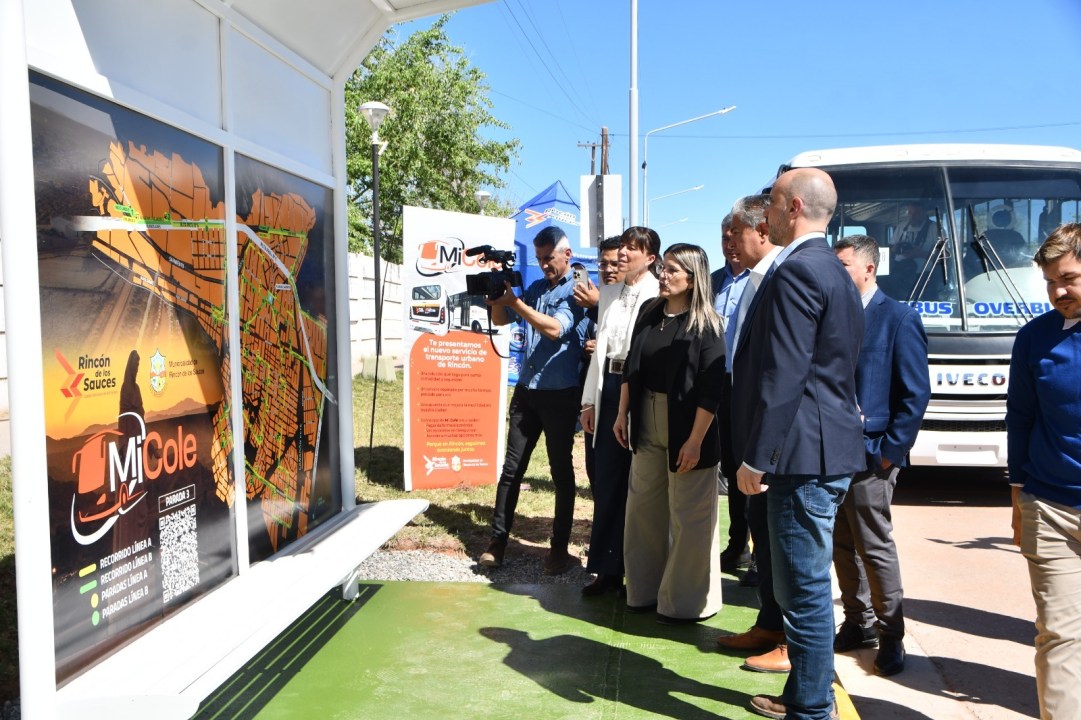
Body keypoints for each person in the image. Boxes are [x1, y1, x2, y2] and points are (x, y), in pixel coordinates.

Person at [733, 168, 865, 720]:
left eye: (771, 203)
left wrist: (757, 457)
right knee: (802, 584)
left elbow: (785, 374)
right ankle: (805, 696)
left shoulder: (798, 271)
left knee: (802, 589)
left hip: (800, 456)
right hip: (822, 450)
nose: (763, 215)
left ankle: (811, 708)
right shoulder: (832, 270)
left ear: (792, 207)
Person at [832, 234, 931, 678]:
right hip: (831, 451)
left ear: (869, 268)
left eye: (844, 266)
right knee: (841, 544)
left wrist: (889, 453)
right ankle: (859, 623)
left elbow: (915, 394)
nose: (836, 274)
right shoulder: (833, 313)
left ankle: (892, 634)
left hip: (872, 456)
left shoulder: (899, 318)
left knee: (873, 546)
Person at [614, 243, 725, 623]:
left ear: (693, 279)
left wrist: (695, 441)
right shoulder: (649, 311)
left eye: (672, 270)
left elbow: (711, 391)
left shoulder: (708, 324)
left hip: (690, 427)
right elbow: (632, 366)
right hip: (646, 419)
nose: (663, 275)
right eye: (663, 268)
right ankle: (643, 592)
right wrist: (622, 413)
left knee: (689, 518)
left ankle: (685, 603)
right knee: (642, 512)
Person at [478, 226, 587, 574]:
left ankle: (559, 548)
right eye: (539, 259)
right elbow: (501, 320)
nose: (543, 265)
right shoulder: (537, 288)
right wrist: (497, 300)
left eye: (549, 258)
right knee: (511, 470)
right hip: (528, 390)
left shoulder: (579, 288)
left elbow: (555, 329)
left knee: (561, 472)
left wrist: (515, 303)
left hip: (561, 394)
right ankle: (497, 543)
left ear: (567, 255)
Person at [1007, 222, 1081, 720]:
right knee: (1059, 634)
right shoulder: (1034, 338)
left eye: (1069, 279)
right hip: (1050, 507)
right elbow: (1021, 417)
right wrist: (1018, 498)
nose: (1057, 293)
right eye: (1051, 282)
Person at [715, 194, 788, 671]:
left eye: (735, 234)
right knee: (760, 526)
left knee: (786, 547)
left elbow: (784, 371)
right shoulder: (753, 280)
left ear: (761, 231)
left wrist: (761, 449)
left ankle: (790, 643)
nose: (729, 244)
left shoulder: (784, 277)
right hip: (746, 424)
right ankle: (769, 623)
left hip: (777, 438)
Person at [579, 228, 659, 595]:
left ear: (650, 258)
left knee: (641, 487)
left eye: (632, 248)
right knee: (608, 482)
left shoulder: (658, 293)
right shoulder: (608, 293)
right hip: (608, 389)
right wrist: (589, 402)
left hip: (642, 392)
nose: (624, 253)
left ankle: (641, 573)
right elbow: (600, 353)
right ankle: (607, 570)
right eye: (622, 247)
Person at [711, 214, 751, 574]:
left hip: (749, 386)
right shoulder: (713, 282)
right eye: (725, 237)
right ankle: (737, 545)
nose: (730, 244)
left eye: (735, 236)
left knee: (750, 465)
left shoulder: (761, 280)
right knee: (729, 466)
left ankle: (759, 555)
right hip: (717, 384)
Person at [578, 236, 624, 489]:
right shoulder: (591, 298)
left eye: (615, 263)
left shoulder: (636, 300)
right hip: (593, 395)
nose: (608, 270)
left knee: (615, 476)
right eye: (603, 264)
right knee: (595, 470)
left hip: (621, 397)